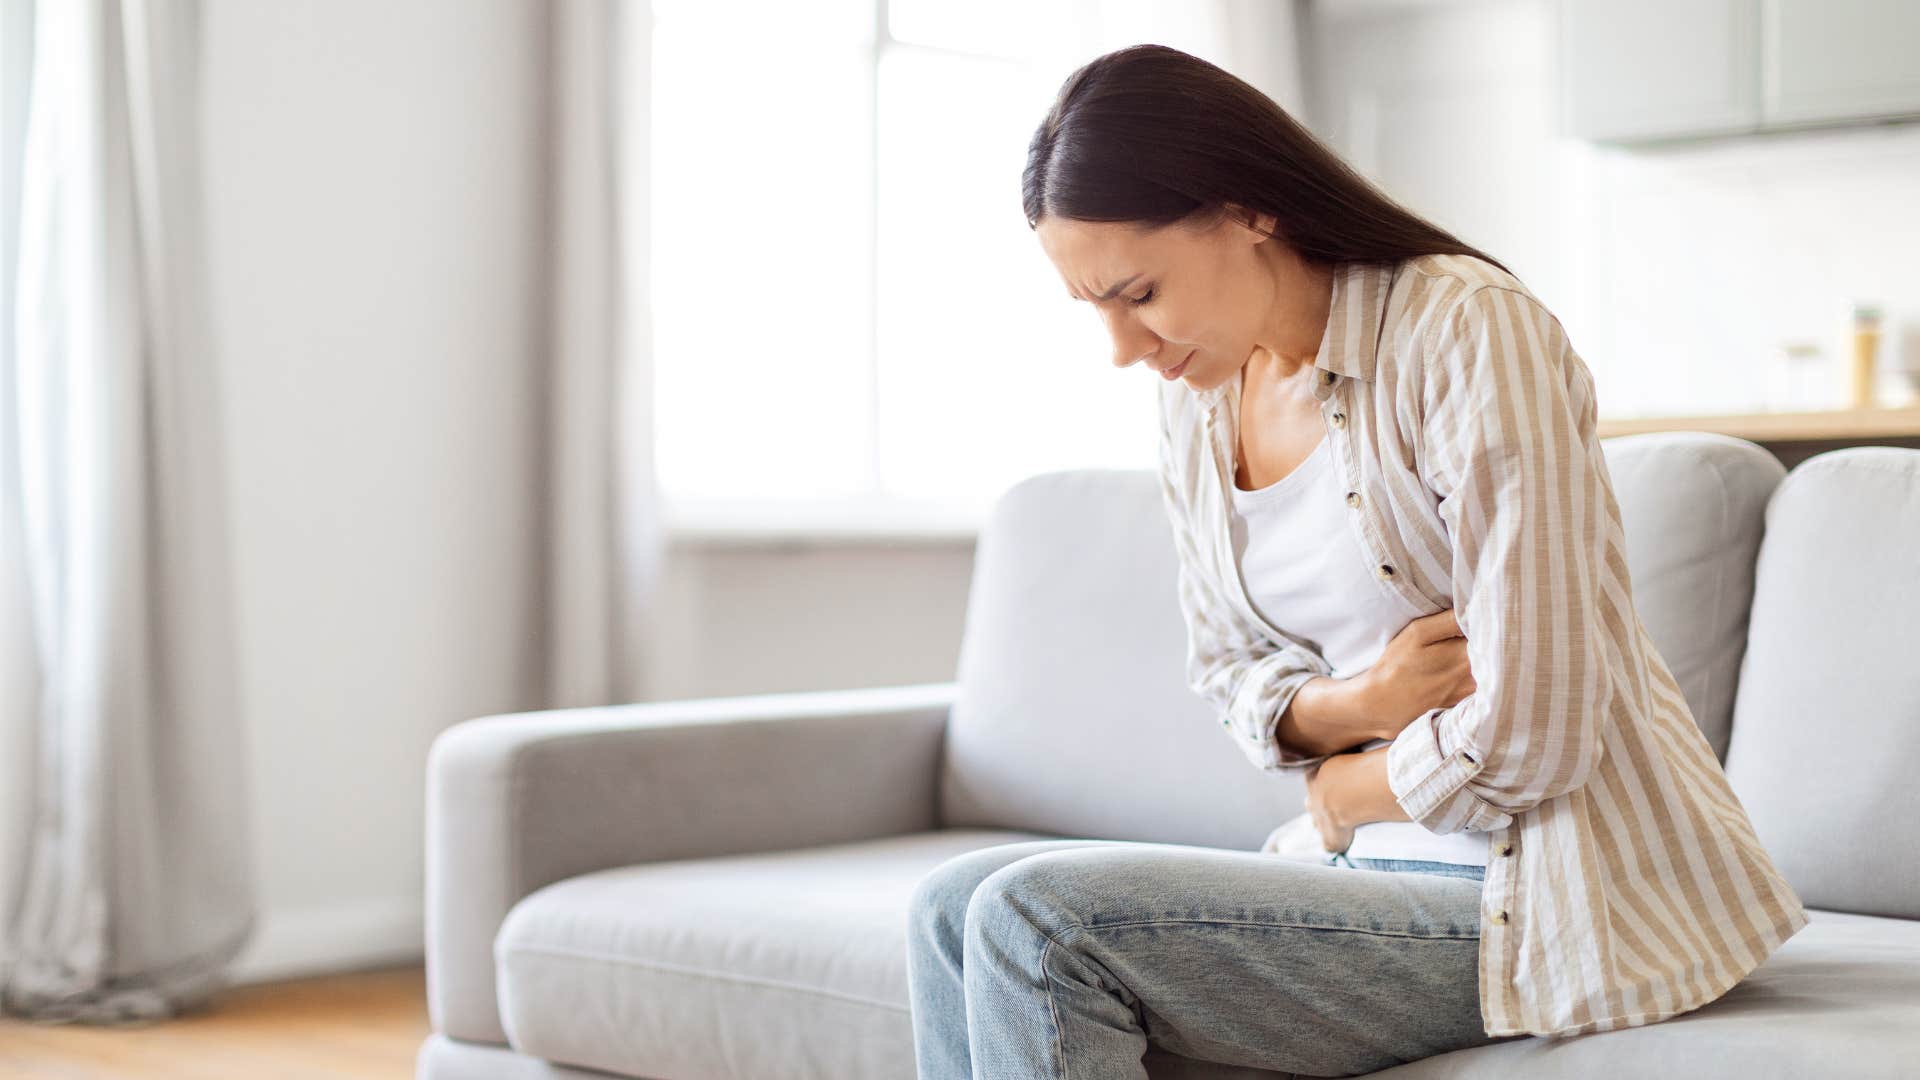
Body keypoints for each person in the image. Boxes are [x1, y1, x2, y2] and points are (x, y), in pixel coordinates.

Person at [904, 43, 1809, 1080]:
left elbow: (1543, 730)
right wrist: (1363, 703)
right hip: (1351, 872)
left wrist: (1348, 792)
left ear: (1248, 209)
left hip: (1539, 894)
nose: (1123, 347)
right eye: (1096, 309)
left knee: (1037, 918)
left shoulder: (1465, 330)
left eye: (1139, 292)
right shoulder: (1196, 399)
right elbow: (1229, 671)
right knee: (947, 906)